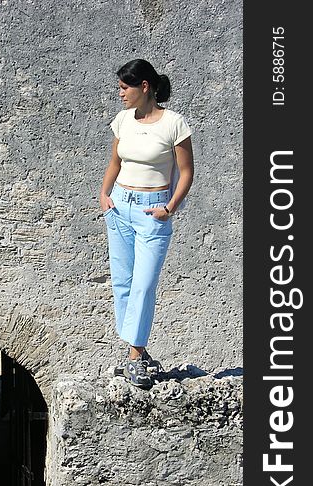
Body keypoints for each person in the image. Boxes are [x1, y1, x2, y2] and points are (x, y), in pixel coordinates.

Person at [100, 58, 194, 388]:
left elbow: (186, 173)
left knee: (143, 284)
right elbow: (115, 161)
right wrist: (104, 195)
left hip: (152, 212)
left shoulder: (174, 124)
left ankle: (134, 357)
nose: (120, 93)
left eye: (125, 88)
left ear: (144, 87)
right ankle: (137, 350)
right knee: (123, 283)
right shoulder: (123, 120)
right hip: (120, 207)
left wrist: (169, 207)